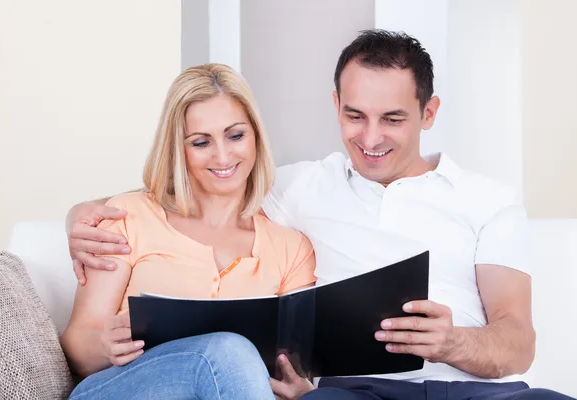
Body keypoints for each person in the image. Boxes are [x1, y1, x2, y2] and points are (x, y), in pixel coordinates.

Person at [65, 31, 574, 400]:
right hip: (354, 393)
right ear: (335, 105)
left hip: (473, 393)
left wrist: (454, 342)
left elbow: (518, 340)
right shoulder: (303, 187)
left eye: (392, 119)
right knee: (240, 359)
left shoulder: (487, 200)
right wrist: (81, 214)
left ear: (430, 113)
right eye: (355, 116)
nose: (370, 139)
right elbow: (202, 184)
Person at [60, 63, 317, 400]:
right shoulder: (127, 217)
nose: (222, 156)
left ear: (255, 136)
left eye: (235, 135)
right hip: (122, 389)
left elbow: (294, 369)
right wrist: (103, 345)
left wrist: (301, 389)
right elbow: (78, 345)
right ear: (178, 149)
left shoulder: (290, 249)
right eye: (200, 142)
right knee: (226, 350)